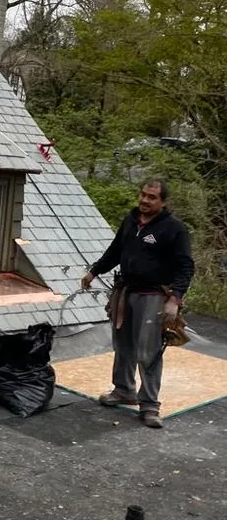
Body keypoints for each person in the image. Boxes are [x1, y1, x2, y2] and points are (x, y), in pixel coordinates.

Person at [81, 178, 194, 429]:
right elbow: (115, 251)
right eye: (143, 195)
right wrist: (94, 272)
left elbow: (185, 266)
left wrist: (175, 298)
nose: (144, 200)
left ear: (163, 202)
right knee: (123, 344)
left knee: (148, 350)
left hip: (154, 296)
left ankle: (150, 405)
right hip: (126, 291)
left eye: (152, 197)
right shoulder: (131, 221)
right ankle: (123, 390)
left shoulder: (174, 229)